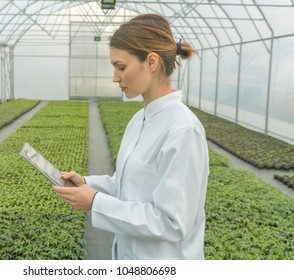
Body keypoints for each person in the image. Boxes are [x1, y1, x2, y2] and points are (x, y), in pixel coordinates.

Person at [53, 13, 209, 260]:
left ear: (151, 62)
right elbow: (125, 185)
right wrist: (86, 183)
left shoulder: (182, 131)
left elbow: (172, 222)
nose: (115, 77)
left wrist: (96, 202)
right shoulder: (139, 120)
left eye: (121, 67)